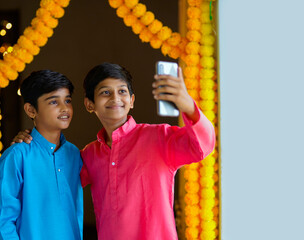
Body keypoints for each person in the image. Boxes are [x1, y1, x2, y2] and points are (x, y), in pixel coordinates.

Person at [13, 62, 215, 240]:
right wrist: (30, 144)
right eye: (105, 92)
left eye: (122, 91)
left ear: (132, 100)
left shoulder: (158, 138)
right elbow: (55, 178)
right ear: (89, 104)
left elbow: (203, 146)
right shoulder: (89, 155)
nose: (115, 98)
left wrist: (188, 106)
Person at [0, 70, 83, 240]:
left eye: (67, 100)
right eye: (54, 101)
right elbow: (3, 219)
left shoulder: (74, 154)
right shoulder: (17, 155)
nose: (64, 108)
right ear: (31, 110)